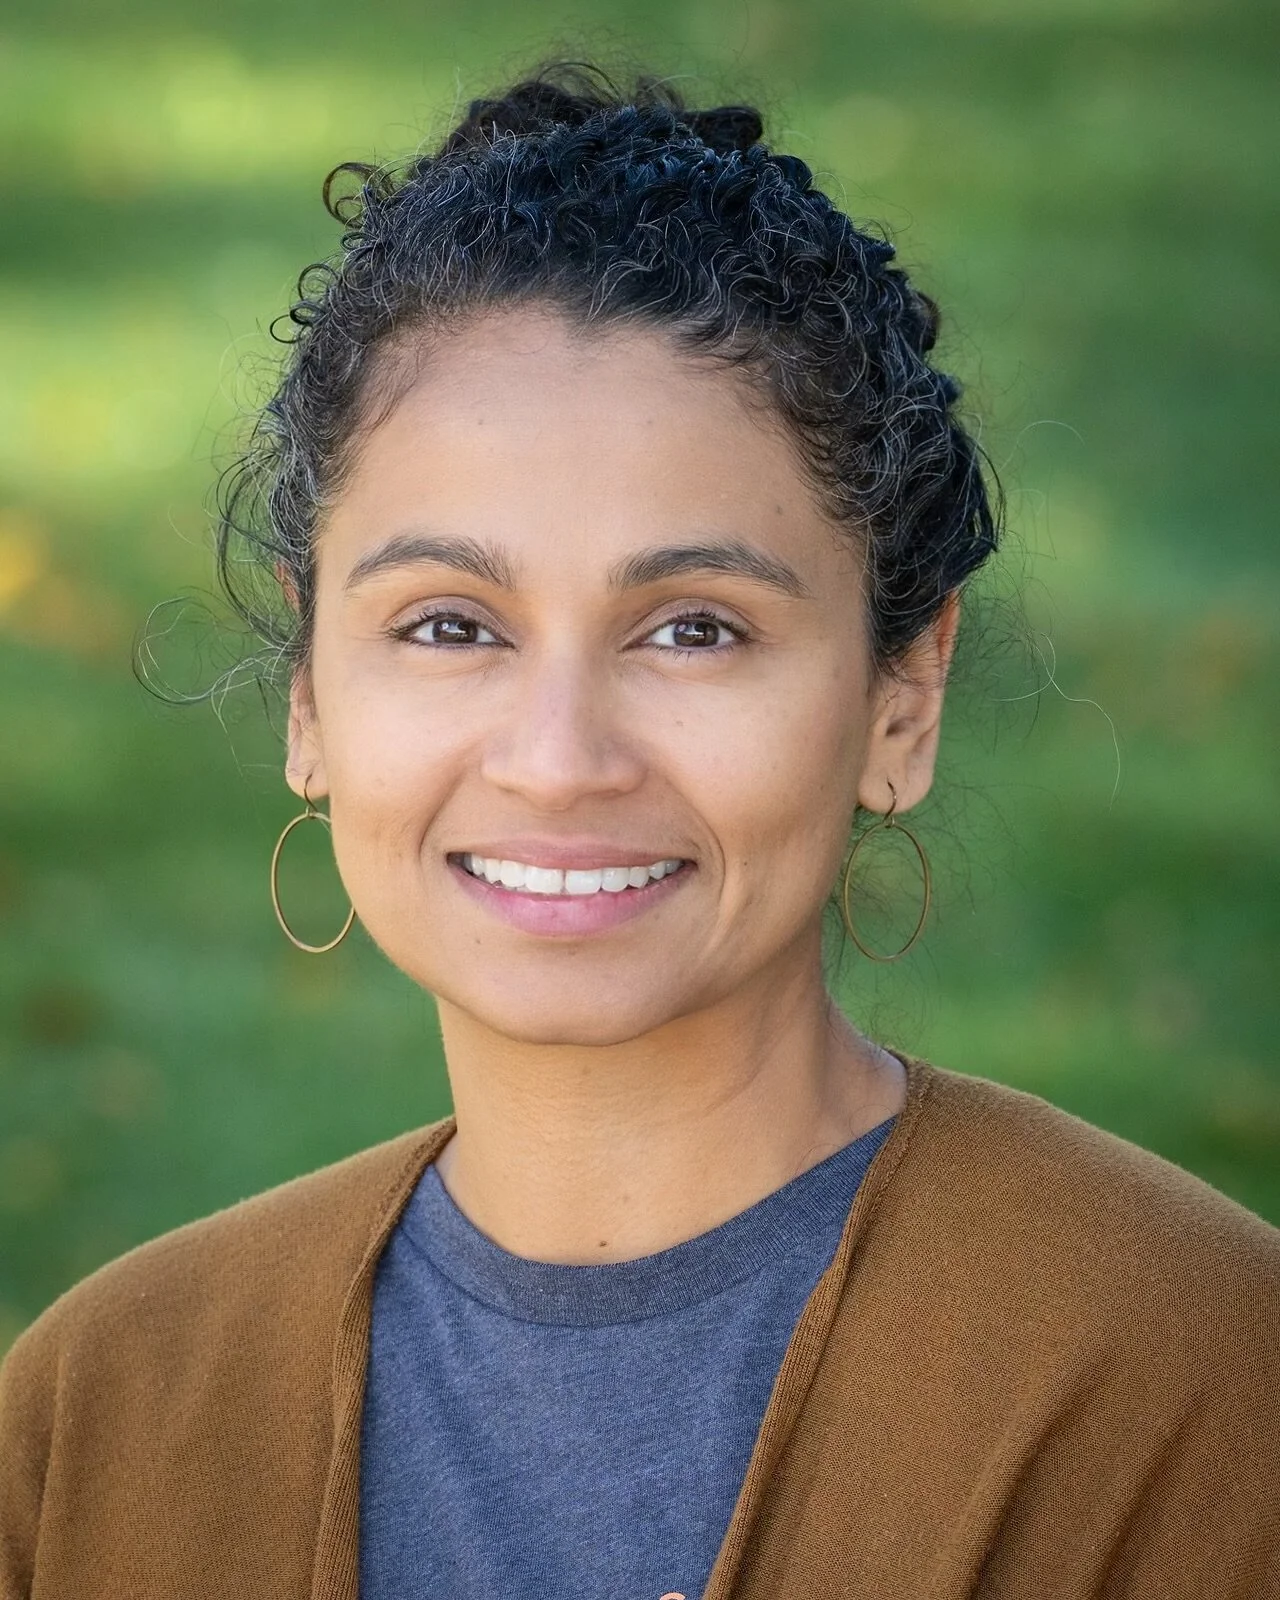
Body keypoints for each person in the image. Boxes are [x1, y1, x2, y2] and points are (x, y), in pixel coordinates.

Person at [1, 60, 1277, 1600]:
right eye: (451, 623)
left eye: (693, 631)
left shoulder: (1195, 1378)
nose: (559, 759)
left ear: (901, 698)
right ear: (309, 693)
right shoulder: (100, 1417)